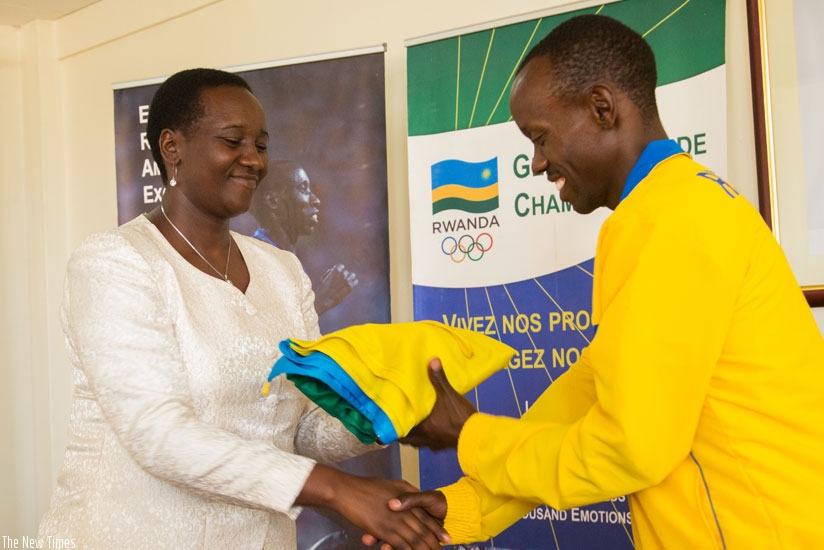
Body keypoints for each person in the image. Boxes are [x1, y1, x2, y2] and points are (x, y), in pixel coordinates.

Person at [379, 14, 824, 549]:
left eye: (539, 138)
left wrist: (469, 434)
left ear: (602, 107)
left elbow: (627, 449)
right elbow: (587, 399)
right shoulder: (680, 205)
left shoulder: (667, 221)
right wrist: (469, 502)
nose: (538, 163)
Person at [37, 68, 447, 550]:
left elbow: (305, 426)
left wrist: (393, 416)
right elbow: (158, 433)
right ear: (173, 148)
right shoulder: (114, 263)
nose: (253, 160)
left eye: (262, 144)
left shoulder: (283, 271)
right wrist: (338, 489)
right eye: (233, 141)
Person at [249, 160, 358, 317]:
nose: (315, 200)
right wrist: (321, 300)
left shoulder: (285, 259)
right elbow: (270, 334)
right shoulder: (257, 262)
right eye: (303, 189)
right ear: (273, 201)